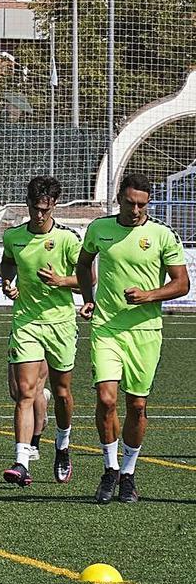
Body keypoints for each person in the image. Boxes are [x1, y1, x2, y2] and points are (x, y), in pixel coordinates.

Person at [77, 173, 189, 504]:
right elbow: (84, 265)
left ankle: (128, 473)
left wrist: (149, 295)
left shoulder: (162, 235)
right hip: (107, 327)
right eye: (130, 202)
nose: (136, 209)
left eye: (142, 204)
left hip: (145, 331)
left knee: (137, 407)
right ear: (119, 199)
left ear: (148, 203)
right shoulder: (100, 229)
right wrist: (88, 298)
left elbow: (182, 283)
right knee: (106, 399)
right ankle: (109, 469)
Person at [0, 176, 81, 486]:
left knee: (61, 393)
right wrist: (7, 282)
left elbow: (89, 279)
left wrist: (62, 281)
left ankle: (62, 444)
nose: (39, 214)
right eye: (35, 207)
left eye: (45, 208)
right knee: (25, 392)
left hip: (60, 324)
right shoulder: (15, 237)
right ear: (28, 204)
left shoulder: (69, 239)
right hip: (27, 323)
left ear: (54, 205)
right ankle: (21, 461)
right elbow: (6, 264)